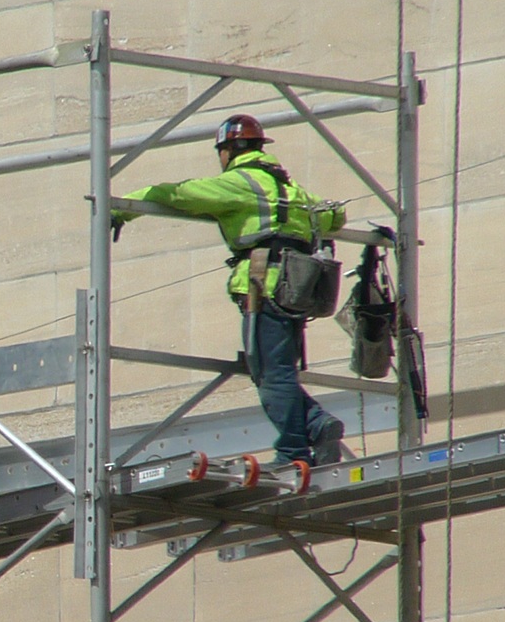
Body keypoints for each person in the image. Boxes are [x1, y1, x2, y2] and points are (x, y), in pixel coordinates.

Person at [113, 114, 349, 468]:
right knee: (277, 368)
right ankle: (317, 424)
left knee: (271, 374)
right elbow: (335, 216)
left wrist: (122, 207)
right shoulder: (291, 189)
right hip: (298, 288)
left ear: (227, 151)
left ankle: (293, 452)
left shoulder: (240, 183)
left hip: (265, 288)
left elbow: (178, 194)